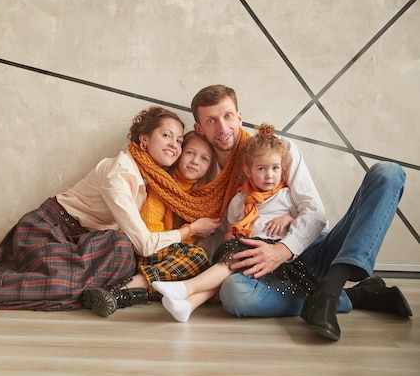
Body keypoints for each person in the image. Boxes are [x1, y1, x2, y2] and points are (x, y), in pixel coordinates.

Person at [0, 106, 218, 311]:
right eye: (167, 136)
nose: (175, 146)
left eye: (179, 141)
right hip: (48, 229)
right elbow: (145, 242)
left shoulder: (158, 180)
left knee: (122, 254)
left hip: (84, 239)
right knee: (65, 281)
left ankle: (109, 291)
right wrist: (192, 229)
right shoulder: (119, 172)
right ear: (143, 140)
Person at [187, 84, 411, 341]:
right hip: (265, 269)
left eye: (227, 116)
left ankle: (329, 291)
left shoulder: (279, 151)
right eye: (211, 121)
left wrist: (283, 249)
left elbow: (314, 212)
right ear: (199, 129)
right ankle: (350, 295)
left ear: (239, 116)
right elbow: (221, 235)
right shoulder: (206, 176)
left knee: (389, 173)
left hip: (312, 251)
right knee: (234, 294)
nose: (223, 128)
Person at [152, 123, 320, 322]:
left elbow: (304, 221)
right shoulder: (239, 201)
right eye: (262, 169)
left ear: (282, 170)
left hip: (275, 259)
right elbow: (230, 230)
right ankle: (188, 306)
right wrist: (229, 235)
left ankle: (187, 287)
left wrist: (288, 219)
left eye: (275, 168)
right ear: (248, 171)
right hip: (246, 253)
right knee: (230, 260)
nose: (269, 175)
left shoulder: (285, 196)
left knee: (234, 256)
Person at [82, 130, 219, 317]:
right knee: (197, 257)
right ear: (179, 154)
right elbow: (150, 233)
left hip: (170, 260)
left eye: (205, 159)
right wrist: (189, 232)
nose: (195, 161)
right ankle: (122, 289)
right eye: (190, 153)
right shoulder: (163, 187)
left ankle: (124, 295)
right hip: (147, 250)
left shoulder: (201, 199)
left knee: (204, 268)